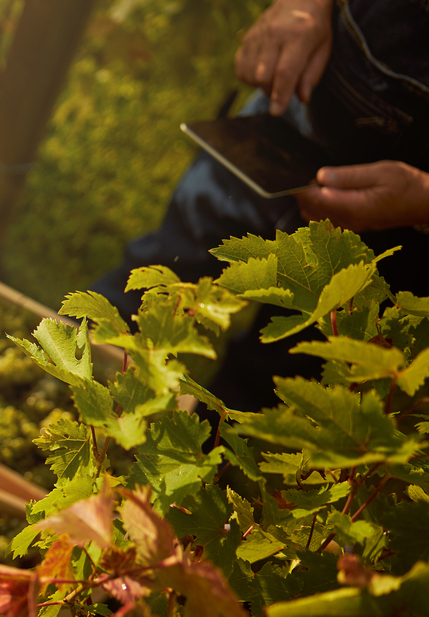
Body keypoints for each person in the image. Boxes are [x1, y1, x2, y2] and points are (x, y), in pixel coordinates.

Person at [90, 0, 429, 411]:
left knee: (288, 389)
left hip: (410, 236)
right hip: (324, 84)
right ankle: (56, 391)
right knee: (163, 278)